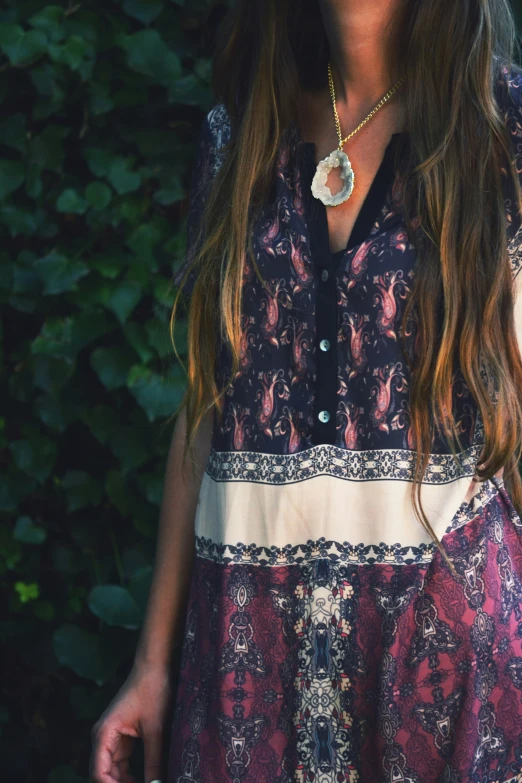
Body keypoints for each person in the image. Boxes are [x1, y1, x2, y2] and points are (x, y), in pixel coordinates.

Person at [90, 0, 522, 781]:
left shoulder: (503, 131)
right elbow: (205, 408)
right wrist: (152, 662)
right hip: (245, 653)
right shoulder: (239, 135)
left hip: (446, 660)